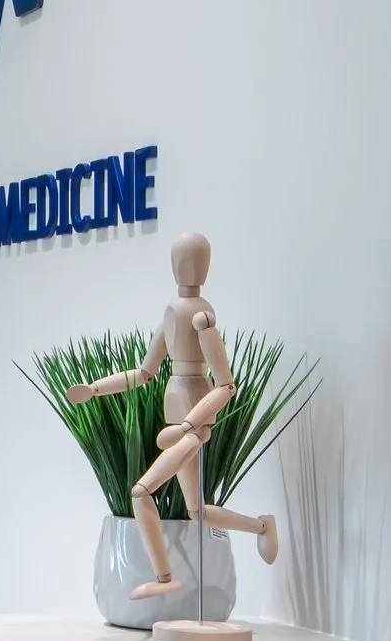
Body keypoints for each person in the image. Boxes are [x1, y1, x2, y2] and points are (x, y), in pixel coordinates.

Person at [67, 231, 280, 599]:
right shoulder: (172, 315)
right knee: (196, 512)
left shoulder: (201, 317)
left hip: (192, 426)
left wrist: (188, 425)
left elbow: (226, 386)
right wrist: (95, 389)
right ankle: (262, 527)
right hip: (178, 420)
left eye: (190, 259)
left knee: (141, 490)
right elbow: (143, 373)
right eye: (180, 258)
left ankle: (166, 578)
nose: (183, 267)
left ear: (202, 266)